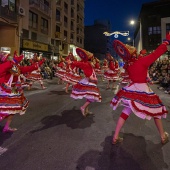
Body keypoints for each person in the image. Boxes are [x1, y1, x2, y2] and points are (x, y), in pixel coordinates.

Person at [110, 33, 170, 145]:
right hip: (142, 89)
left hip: (132, 89)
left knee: (126, 111)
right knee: (156, 111)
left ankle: (115, 136)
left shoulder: (129, 65)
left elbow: (136, 74)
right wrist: (166, 42)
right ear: (134, 53)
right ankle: (162, 136)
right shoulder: (142, 61)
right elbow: (156, 54)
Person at [0, 51, 43, 132]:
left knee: (13, 110)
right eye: (9, 57)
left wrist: (38, 64)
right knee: (3, 111)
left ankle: (6, 127)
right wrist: (13, 62)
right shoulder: (5, 66)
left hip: (14, 91)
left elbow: (26, 69)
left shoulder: (15, 67)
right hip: (5, 91)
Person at [68, 48, 102, 117]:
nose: (95, 59)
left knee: (89, 97)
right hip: (89, 82)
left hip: (91, 81)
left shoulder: (90, 64)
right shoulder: (86, 64)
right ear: (91, 59)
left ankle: (86, 110)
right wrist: (72, 62)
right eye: (93, 58)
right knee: (92, 98)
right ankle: (83, 107)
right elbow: (80, 64)